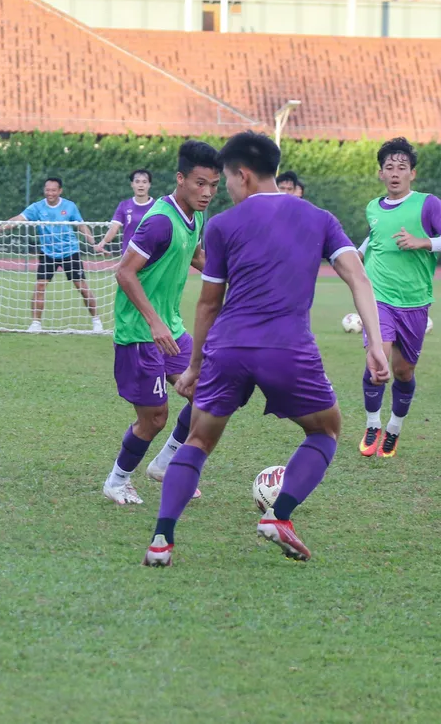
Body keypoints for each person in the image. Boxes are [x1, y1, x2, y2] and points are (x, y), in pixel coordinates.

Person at [143, 132, 389, 567]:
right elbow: (359, 278)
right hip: (287, 348)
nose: (225, 190)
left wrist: (195, 365)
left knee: (198, 439)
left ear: (243, 175)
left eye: (227, 181)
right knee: (326, 430)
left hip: (229, 348)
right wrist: (375, 345)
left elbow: (208, 302)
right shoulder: (320, 218)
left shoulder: (222, 225)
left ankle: (161, 540)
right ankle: (281, 516)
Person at [102, 143, 221, 506]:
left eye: (214, 185)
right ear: (181, 179)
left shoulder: (196, 215)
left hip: (171, 327)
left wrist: (234, 276)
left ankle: (166, 463)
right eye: (200, 184)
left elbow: (197, 256)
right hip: (140, 333)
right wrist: (153, 322)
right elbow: (125, 271)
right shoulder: (158, 221)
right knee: (154, 418)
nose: (207, 193)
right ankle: (117, 481)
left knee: (206, 394)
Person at [357, 137, 441, 460]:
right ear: (380, 173)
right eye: (389, 167)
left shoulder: (428, 204)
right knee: (378, 361)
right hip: (379, 298)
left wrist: (422, 242)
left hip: (415, 302)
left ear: (412, 174)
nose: (395, 173)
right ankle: (372, 423)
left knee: (403, 372)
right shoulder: (373, 207)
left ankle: (394, 428)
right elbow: (373, 238)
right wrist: (354, 256)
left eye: (401, 168)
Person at [0, 178, 101, 332]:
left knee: (81, 286)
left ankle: (97, 321)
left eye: (53, 190)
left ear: (60, 191)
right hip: (48, 252)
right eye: (47, 190)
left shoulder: (70, 206)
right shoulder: (37, 207)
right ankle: (36, 323)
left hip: (70, 252)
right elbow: (18, 219)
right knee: (40, 286)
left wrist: (94, 243)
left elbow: (81, 226)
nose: (50, 193)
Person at [96, 169, 155, 255]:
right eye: (137, 181)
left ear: (149, 185)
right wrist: (102, 243)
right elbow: (114, 228)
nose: (141, 185)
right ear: (132, 184)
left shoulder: (157, 206)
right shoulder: (124, 205)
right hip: (129, 254)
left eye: (144, 182)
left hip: (151, 254)